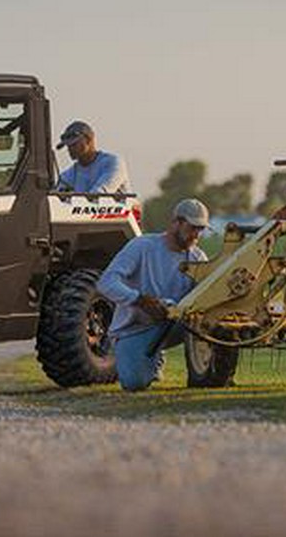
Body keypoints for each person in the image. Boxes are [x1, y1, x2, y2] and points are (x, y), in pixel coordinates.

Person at [97, 198, 210, 391]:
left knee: (209, 322)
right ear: (176, 222)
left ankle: (207, 376)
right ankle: (142, 356)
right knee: (135, 383)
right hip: (135, 328)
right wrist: (139, 300)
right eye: (192, 228)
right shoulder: (142, 246)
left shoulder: (198, 258)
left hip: (175, 324)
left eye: (200, 229)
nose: (196, 234)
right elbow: (106, 283)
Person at [56, 121, 131, 194]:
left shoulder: (113, 163)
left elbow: (99, 195)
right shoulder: (68, 175)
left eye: (74, 144)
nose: (70, 149)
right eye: (68, 145)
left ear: (89, 140)